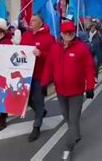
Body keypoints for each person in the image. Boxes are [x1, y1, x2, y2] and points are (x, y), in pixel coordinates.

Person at [41, 21, 95, 160]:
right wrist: (44, 84)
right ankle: (75, 135)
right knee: (67, 117)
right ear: (61, 34)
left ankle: (68, 147)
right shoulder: (55, 48)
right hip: (60, 91)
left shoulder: (81, 48)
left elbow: (89, 68)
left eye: (71, 32)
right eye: (66, 32)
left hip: (76, 91)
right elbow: (48, 67)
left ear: (74, 33)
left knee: (73, 119)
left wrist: (89, 87)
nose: (69, 34)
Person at [20, 14, 55, 142]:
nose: (31, 22)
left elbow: (53, 56)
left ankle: (37, 126)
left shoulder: (49, 38)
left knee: (39, 99)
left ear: (41, 23)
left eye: (34, 20)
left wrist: (41, 54)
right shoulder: (26, 35)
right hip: (26, 75)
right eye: (31, 20)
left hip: (40, 75)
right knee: (26, 100)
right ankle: (40, 112)